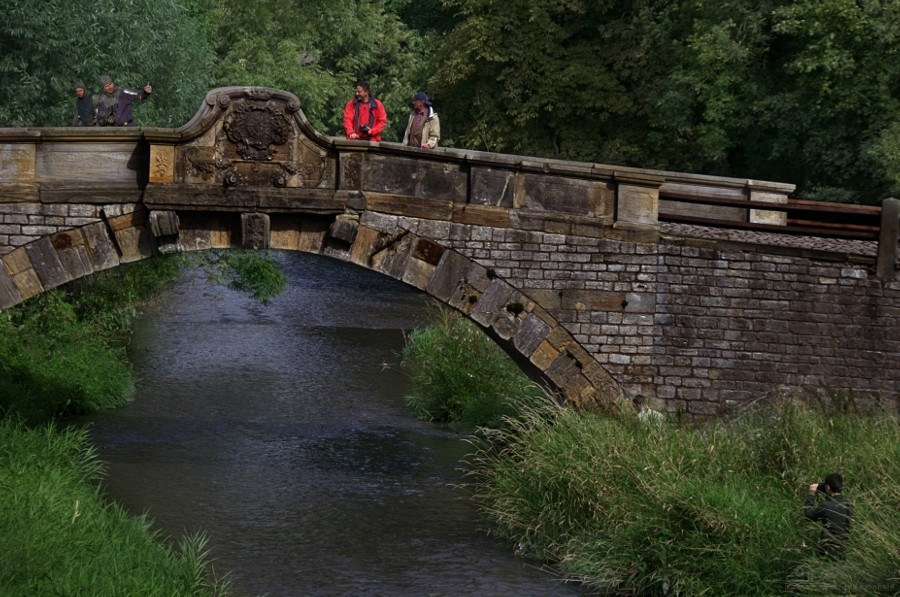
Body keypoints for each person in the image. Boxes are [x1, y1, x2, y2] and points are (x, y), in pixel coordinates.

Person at [804, 473, 853, 558]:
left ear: (828, 487)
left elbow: (809, 516)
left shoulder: (826, 505)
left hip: (828, 550)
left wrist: (811, 494)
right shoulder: (848, 503)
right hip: (844, 548)